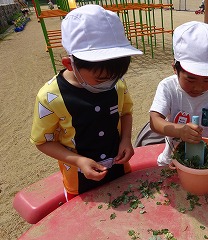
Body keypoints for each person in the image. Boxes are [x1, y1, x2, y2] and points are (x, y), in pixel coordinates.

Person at [30, 5, 142, 201]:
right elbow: (43, 142)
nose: (110, 83)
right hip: (79, 181)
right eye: (101, 79)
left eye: (115, 77)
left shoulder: (117, 84)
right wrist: (78, 160)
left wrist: (125, 140)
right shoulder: (50, 96)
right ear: (69, 64)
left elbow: (126, 113)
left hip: (119, 170)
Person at [149, 21, 208, 166]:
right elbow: (154, 121)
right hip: (172, 159)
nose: (198, 87)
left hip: (205, 156)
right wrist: (180, 131)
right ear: (175, 69)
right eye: (191, 79)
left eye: (207, 79)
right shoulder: (167, 87)